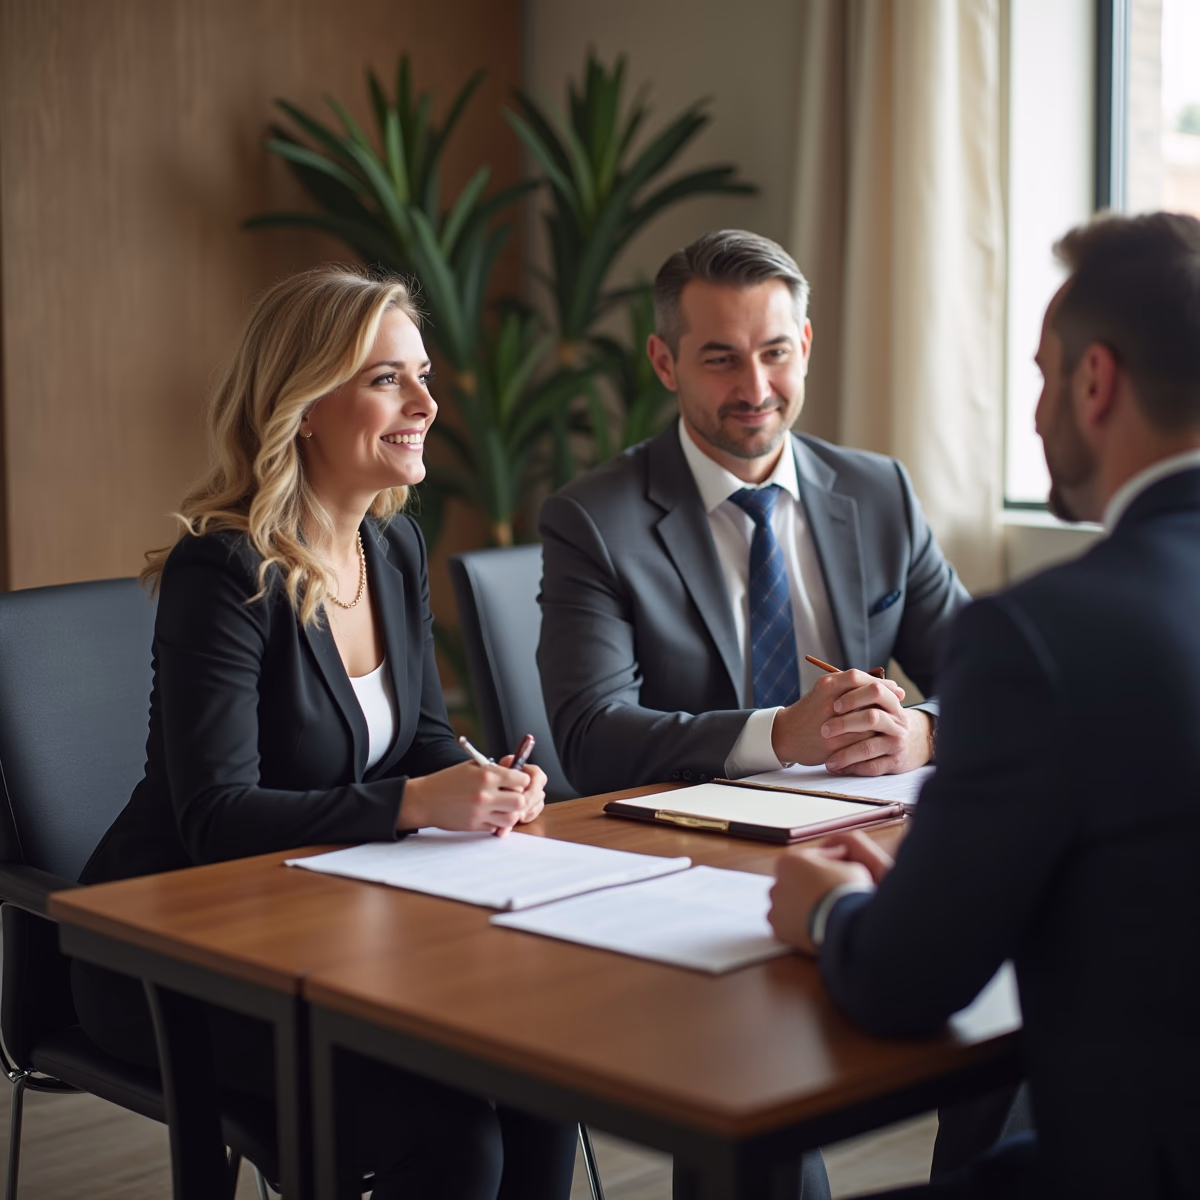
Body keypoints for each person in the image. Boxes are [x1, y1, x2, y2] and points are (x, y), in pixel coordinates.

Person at [71, 266, 577, 1200]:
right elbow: (215, 819)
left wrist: (479, 778)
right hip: (172, 959)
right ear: (303, 406)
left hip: (329, 929)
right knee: (457, 1139)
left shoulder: (391, 545)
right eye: (389, 379)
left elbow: (421, 734)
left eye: (422, 375)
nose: (426, 402)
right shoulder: (222, 570)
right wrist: (417, 804)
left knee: (543, 1078)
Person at [768, 211, 1200, 1199]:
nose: (1037, 408)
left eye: (1045, 375)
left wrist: (833, 912)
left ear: (1096, 382)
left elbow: (903, 986)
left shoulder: (1043, 633)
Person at [538, 228, 968, 797]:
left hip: (857, 825)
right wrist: (780, 736)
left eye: (776, 353)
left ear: (806, 346)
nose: (756, 388)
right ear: (665, 363)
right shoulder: (593, 520)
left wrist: (923, 732)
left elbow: (995, 682)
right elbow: (591, 740)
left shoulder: (879, 491)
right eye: (722, 359)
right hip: (688, 842)